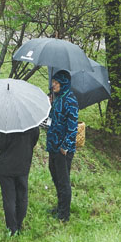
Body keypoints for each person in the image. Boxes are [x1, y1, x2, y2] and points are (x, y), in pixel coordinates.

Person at [46, 70, 79, 222]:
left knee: (63, 181)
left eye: (56, 83)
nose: (53, 85)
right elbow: (51, 120)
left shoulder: (70, 101)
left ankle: (64, 215)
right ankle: (59, 207)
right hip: (53, 145)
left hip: (62, 149)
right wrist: (50, 105)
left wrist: (64, 147)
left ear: (64, 84)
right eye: (53, 82)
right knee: (55, 177)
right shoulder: (57, 99)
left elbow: (73, 128)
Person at [0, 125, 40, 235]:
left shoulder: (6, 125)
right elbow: (34, 141)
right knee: (22, 196)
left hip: (6, 166)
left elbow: (0, 144)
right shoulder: (33, 124)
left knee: (9, 198)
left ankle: (12, 228)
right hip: (23, 164)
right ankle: (18, 224)